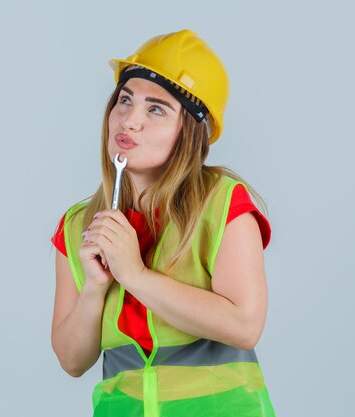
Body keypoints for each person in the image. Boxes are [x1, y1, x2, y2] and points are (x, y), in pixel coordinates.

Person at [50, 29, 276, 417]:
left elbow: (244, 325)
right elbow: (72, 361)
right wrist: (95, 287)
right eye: (125, 101)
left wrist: (134, 274)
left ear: (188, 132)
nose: (129, 121)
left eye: (156, 109)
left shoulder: (222, 204)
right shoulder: (78, 226)